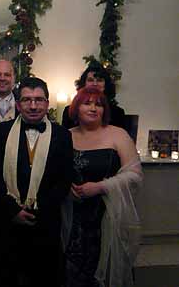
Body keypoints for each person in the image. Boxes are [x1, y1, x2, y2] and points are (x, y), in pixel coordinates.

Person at [0, 76, 74, 287]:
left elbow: (64, 180)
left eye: (39, 100)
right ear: (18, 104)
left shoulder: (62, 135)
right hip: (7, 223)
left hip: (45, 225)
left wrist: (39, 210)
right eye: (27, 100)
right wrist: (13, 211)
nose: (33, 106)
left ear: (47, 103)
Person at [63, 87, 143, 287]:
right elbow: (54, 172)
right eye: (87, 103)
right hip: (72, 217)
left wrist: (100, 187)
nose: (93, 108)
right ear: (76, 108)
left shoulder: (119, 135)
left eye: (98, 105)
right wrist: (66, 188)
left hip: (106, 216)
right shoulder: (64, 136)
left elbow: (135, 175)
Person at [62, 63, 126, 130]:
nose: (95, 84)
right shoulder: (69, 111)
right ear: (84, 84)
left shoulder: (117, 113)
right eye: (90, 80)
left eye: (99, 80)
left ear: (106, 85)